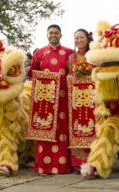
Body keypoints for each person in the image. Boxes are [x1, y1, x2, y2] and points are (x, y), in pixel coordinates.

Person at [28, 24, 74, 174]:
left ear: (61, 35)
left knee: (62, 131)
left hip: (63, 99)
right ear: (47, 35)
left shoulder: (69, 53)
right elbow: (32, 73)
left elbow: (74, 74)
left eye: (56, 33)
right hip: (45, 100)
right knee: (44, 131)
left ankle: (62, 166)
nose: (53, 35)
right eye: (51, 33)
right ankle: (43, 166)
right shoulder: (39, 53)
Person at [68, 29, 94, 170]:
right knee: (76, 127)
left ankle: (92, 161)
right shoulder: (71, 57)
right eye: (76, 38)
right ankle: (78, 163)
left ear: (87, 39)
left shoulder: (92, 55)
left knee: (91, 127)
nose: (79, 40)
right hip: (76, 98)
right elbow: (69, 75)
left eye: (81, 37)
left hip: (90, 97)